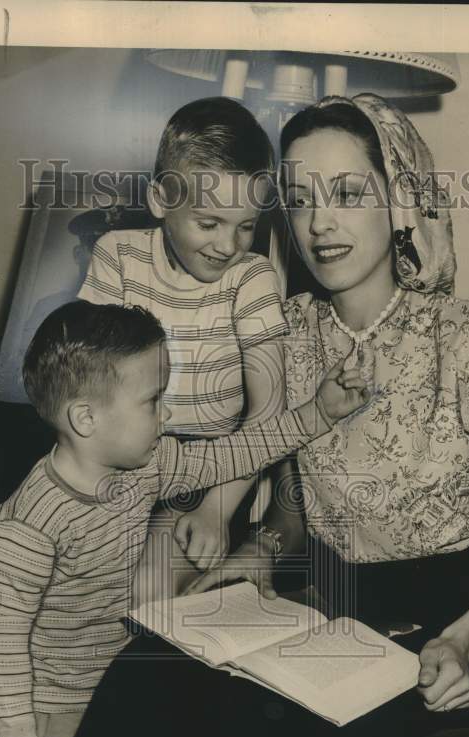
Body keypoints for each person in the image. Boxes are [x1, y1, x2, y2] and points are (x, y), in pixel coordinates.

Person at [66, 93, 469, 737]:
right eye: (300, 200)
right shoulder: (288, 332)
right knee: (145, 676)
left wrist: (463, 642)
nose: (321, 223)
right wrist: (263, 551)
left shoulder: (468, 335)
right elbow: (298, 504)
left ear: (399, 201)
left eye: (348, 193)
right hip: (341, 623)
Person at [0, 300, 368, 737]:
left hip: (104, 683)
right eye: (153, 401)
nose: (165, 415)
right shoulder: (28, 524)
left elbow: (230, 454)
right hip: (36, 711)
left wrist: (318, 414)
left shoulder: (146, 467)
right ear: (86, 419)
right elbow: (5, 638)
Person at [77, 96, 288, 605]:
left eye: (245, 226)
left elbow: (270, 409)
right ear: (160, 201)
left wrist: (217, 508)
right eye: (208, 223)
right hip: (118, 465)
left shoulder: (253, 278)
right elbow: (87, 379)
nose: (228, 245)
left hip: (211, 480)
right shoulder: (118, 257)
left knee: (139, 593)